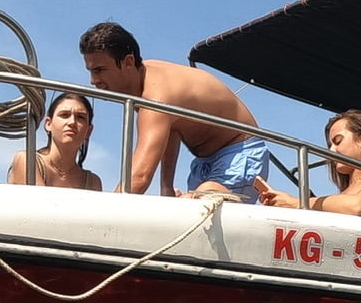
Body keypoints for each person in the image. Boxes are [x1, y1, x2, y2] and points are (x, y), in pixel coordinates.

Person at [76, 22, 267, 198]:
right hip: (204, 162)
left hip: (240, 153)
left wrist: (103, 215)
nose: (93, 81)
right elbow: (171, 127)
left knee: (197, 206)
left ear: (127, 62)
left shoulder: (156, 97)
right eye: (90, 71)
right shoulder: (143, 79)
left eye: (99, 70)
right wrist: (166, 186)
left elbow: (139, 176)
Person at [260, 109, 361, 218]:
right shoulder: (344, 193)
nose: (331, 151)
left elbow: (358, 206)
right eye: (330, 145)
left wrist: (295, 202)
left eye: (338, 141)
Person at [8, 91, 104, 191]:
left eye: (80, 117)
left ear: (88, 131)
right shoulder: (28, 160)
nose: (72, 122)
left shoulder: (93, 181)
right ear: (48, 124)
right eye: (64, 115)